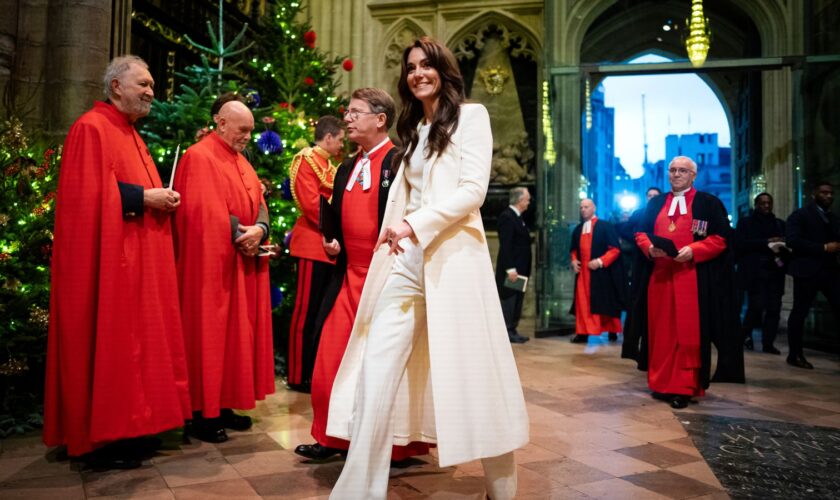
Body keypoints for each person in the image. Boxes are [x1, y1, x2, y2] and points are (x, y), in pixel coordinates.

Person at [325, 37, 528, 500]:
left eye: (426, 65)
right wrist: (395, 229)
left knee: (475, 375)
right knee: (376, 372)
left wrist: (414, 224)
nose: (418, 73)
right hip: (405, 263)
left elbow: (473, 191)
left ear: (443, 70)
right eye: (411, 67)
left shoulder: (471, 117)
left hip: (454, 262)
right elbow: (405, 195)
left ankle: (502, 490)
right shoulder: (414, 132)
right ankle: (357, 491)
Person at [43, 55, 191, 469]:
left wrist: (158, 197)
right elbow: (85, 198)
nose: (151, 92)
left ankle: (133, 427)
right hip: (108, 266)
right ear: (115, 87)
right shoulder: (91, 128)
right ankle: (105, 437)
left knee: (136, 349)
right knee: (114, 345)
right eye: (143, 84)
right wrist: (145, 197)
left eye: (152, 85)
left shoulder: (128, 132)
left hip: (135, 264)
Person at [294, 88, 429, 462]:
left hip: (386, 278)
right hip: (348, 277)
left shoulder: (401, 161)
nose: (348, 119)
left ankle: (392, 446)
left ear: (380, 119)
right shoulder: (346, 168)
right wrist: (333, 242)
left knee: (380, 368)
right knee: (329, 360)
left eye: (356, 113)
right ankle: (330, 437)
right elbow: (336, 218)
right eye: (348, 113)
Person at [173, 100, 274, 442]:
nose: (248, 136)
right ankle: (202, 413)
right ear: (220, 123)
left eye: (250, 130)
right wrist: (239, 233)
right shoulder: (199, 156)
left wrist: (259, 229)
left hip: (240, 260)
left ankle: (225, 403)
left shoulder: (241, 160)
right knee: (210, 335)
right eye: (242, 129)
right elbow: (202, 211)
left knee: (236, 337)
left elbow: (260, 202)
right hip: (212, 266)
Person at [626, 156, 744, 409]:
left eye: (682, 171)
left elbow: (721, 238)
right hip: (659, 279)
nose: (676, 174)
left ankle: (683, 387)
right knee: (660, 332)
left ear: (693, 175)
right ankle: (660, 383)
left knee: (686, 334)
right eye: (673, 170)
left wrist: (694, 250)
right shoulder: (656, 202)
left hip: (691, 279)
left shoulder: (708, 203)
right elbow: (640, 233)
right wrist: (650, 249)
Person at [286, 115, 344, 392]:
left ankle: (311, 371)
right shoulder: (306, 159)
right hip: (311, 244)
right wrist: (334, 226)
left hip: (328, 247)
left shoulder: (329, 166)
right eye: (340, 140)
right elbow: (311, 203)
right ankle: (297, 375)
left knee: (320, 313)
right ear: (329, 137)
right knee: (304, 314)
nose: (342, 145)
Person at [784, 182, 840, 369]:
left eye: (831, 193)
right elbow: (793, 241)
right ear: (814, 194)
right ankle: (795, 354)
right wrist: (823, 248)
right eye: (824, 192)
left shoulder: (832, 217)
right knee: (800, 312)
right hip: (807, 270)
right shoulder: (800, 215)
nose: (828, 196)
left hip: (830, 270)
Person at [734, 192, 788, 354]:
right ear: (756, 205)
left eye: (769, 203)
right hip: (755, 272)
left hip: (775, 271)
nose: (766, 206)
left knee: (774, 308)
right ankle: (744, 335)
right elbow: (740, 244)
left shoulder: (779, 224)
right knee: (756, 306)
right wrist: (766, 242)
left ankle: (768, 343)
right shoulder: (746, 223)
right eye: (763, 203)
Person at [569, 198, 626, 344]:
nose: (583, 210)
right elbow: (574, 250)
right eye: (581, 207)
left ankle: (612, 330)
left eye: (586, 207)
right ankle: (582, 333)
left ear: (593, 208)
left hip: (602, 274)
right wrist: (574, 261)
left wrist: (600, 262)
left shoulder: (606, 226)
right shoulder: (578, 229)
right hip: (583, 274)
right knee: (582, 304)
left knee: (605, 303)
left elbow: (615, 249)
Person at [620, 187, 661, 362]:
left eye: (655, 196)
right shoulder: (639, 213)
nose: (652, 198)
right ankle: (632, 345)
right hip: (641, 262)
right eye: (649, 195)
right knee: (637, 302)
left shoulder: (664, 211)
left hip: (659, 261)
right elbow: (624, 230)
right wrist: (638, 240)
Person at [496, 187, 532, 344]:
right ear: (519, 200)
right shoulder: (507, 217)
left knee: (517, 300)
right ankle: (508, 330)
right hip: (512, 271)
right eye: (527, 199)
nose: (529, 202)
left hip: (520, 269)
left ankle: (513, 329)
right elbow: (506, 245)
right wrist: (511, 269)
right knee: (509, 300)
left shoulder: (518, 217)